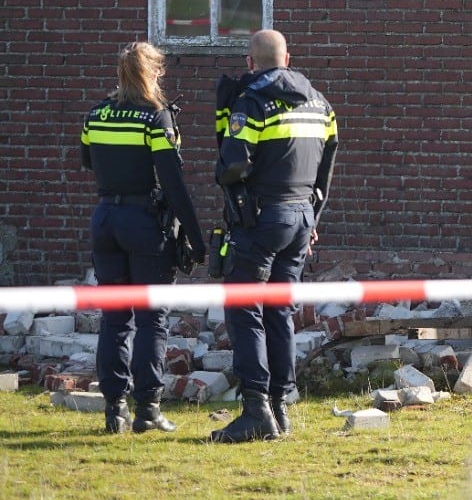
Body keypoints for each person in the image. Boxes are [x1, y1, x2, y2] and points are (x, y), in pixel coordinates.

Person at [211, 30, 338, 443]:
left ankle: (255, 410)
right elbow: (327, 165)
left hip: (264, 217)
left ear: (251, 62)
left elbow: (233, 165)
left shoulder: (252, 104)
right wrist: (313, 216)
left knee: (245, 308)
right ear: (289, 58)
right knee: (279, 310)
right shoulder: (320, 103)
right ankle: (280, 408)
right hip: (302, 218)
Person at [81, 41, 206, 434]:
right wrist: (197, 239)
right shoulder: (155, 117)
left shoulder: (97, 113)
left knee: (115, 319)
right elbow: (173, 183)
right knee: (152, 319)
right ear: (153, 73)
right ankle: (147, 411)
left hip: (105, 220)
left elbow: (88, 160)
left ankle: (113, 410)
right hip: (145, 222)